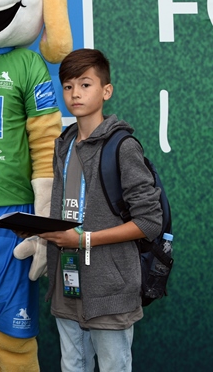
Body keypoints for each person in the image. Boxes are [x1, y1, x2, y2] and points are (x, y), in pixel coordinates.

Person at [37, 48, 162, 372]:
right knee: (72, 365)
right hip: (67, 282)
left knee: (113, 367)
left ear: (106, 91)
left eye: (85, 84)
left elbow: (149, 222)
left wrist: (84, 240)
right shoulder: (63, 144)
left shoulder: (122, 146)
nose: (75, 93)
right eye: (68, 86)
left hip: (110, 287)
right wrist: (40, 230)